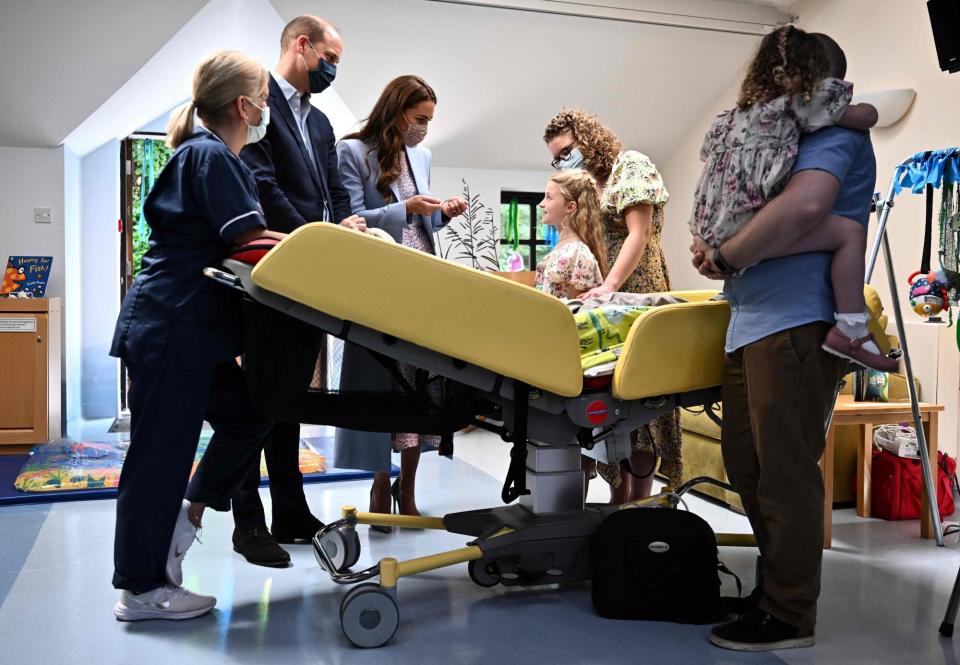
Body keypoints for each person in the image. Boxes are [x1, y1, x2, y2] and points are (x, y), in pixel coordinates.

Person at [690, 33, 875, 651]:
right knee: (749, 466)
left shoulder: (833, 134)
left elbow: (803, 209)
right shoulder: (779, 132)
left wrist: (723, 253)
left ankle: (791, 613)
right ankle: (776, 591)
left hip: (794, 322)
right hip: (752, 320)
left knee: (784, 474)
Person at [110, 50, 283, 621]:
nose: (266, 109)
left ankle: (186, 521)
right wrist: (334, 254)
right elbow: (252, 244)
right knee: (159, 456)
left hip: (193, 330)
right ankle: (141, 590)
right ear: (243, 105)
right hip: (172, 326)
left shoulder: (207, 156)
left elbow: (251, 237)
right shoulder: (211, 156)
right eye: (262, 98)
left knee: (250, 414)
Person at [232, 15, 366, 567]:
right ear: (302, 46)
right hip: (274, 274)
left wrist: (347, 230)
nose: (333, 69)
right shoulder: (256, 104)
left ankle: (290, 511)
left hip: (314, 282)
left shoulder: (322, 124)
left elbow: (334, 194)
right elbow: (261, 185)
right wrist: (312, 240)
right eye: (330, 57)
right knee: (257, 403)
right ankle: (247, 524)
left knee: (289, 402)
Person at [689, 25, 894, 372]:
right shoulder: (804, 110)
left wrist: (713, 249)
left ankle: (851, 331)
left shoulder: (732, 119)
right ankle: (851, 328)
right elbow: (867, 115)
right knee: (850, 233)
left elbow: (801, 205)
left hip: (781, 315)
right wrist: (724, 260)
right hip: (754, 319)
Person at [335, 75, 467, 523]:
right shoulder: (353, 152)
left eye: (430, 120)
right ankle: (378, 485)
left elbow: (424, 229)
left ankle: (406, 490)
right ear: (396, 110)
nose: (424, 129)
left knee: (421, 387)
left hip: (423, 283)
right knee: (380, 385)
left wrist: (441, 214)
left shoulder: (423, 155)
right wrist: (404, 209)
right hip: (379, 286)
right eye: (419, 118)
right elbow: (348, 219)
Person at [543, 109, 679, 504]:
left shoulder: (630, 166)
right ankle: (618, 507)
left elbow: (638, 233)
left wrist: (611, 285)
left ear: (588, 138)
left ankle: (639, 507)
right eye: (557, 157)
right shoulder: (589, 185)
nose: (565, 160)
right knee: (613, 406)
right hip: (603, 298)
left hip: (637, 290)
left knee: (643, 401)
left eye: (568, 150)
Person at [535, 169, 606, 299]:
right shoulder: (563, 249)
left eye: (548, 197)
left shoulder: (577, 253)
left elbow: (575, 313)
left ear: (570, 207)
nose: (541, 204)